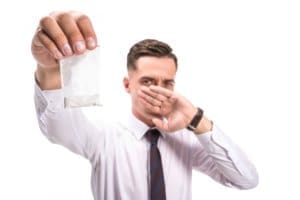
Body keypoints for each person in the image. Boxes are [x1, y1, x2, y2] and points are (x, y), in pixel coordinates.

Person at [32, 11, 258, 200]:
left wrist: (196, 119)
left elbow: (245, 180)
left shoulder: (186, 142)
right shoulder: (103, 137)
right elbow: (56, 127)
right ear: (127, 84)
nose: (158, 91)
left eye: (167, 83)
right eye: (148, 82)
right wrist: (50, 71)